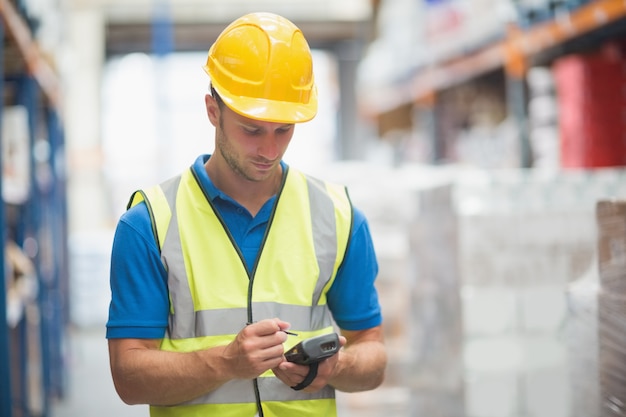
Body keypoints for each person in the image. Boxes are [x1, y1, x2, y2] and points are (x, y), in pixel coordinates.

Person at [106, 11, 387, 417]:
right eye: (252, 129)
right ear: (212, 110)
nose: (269, 151)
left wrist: (337, 366)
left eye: (284, 130)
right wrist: (225, 362)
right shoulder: (149, 224)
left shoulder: (338, 217)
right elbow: (128, 378)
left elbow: (373, 355)